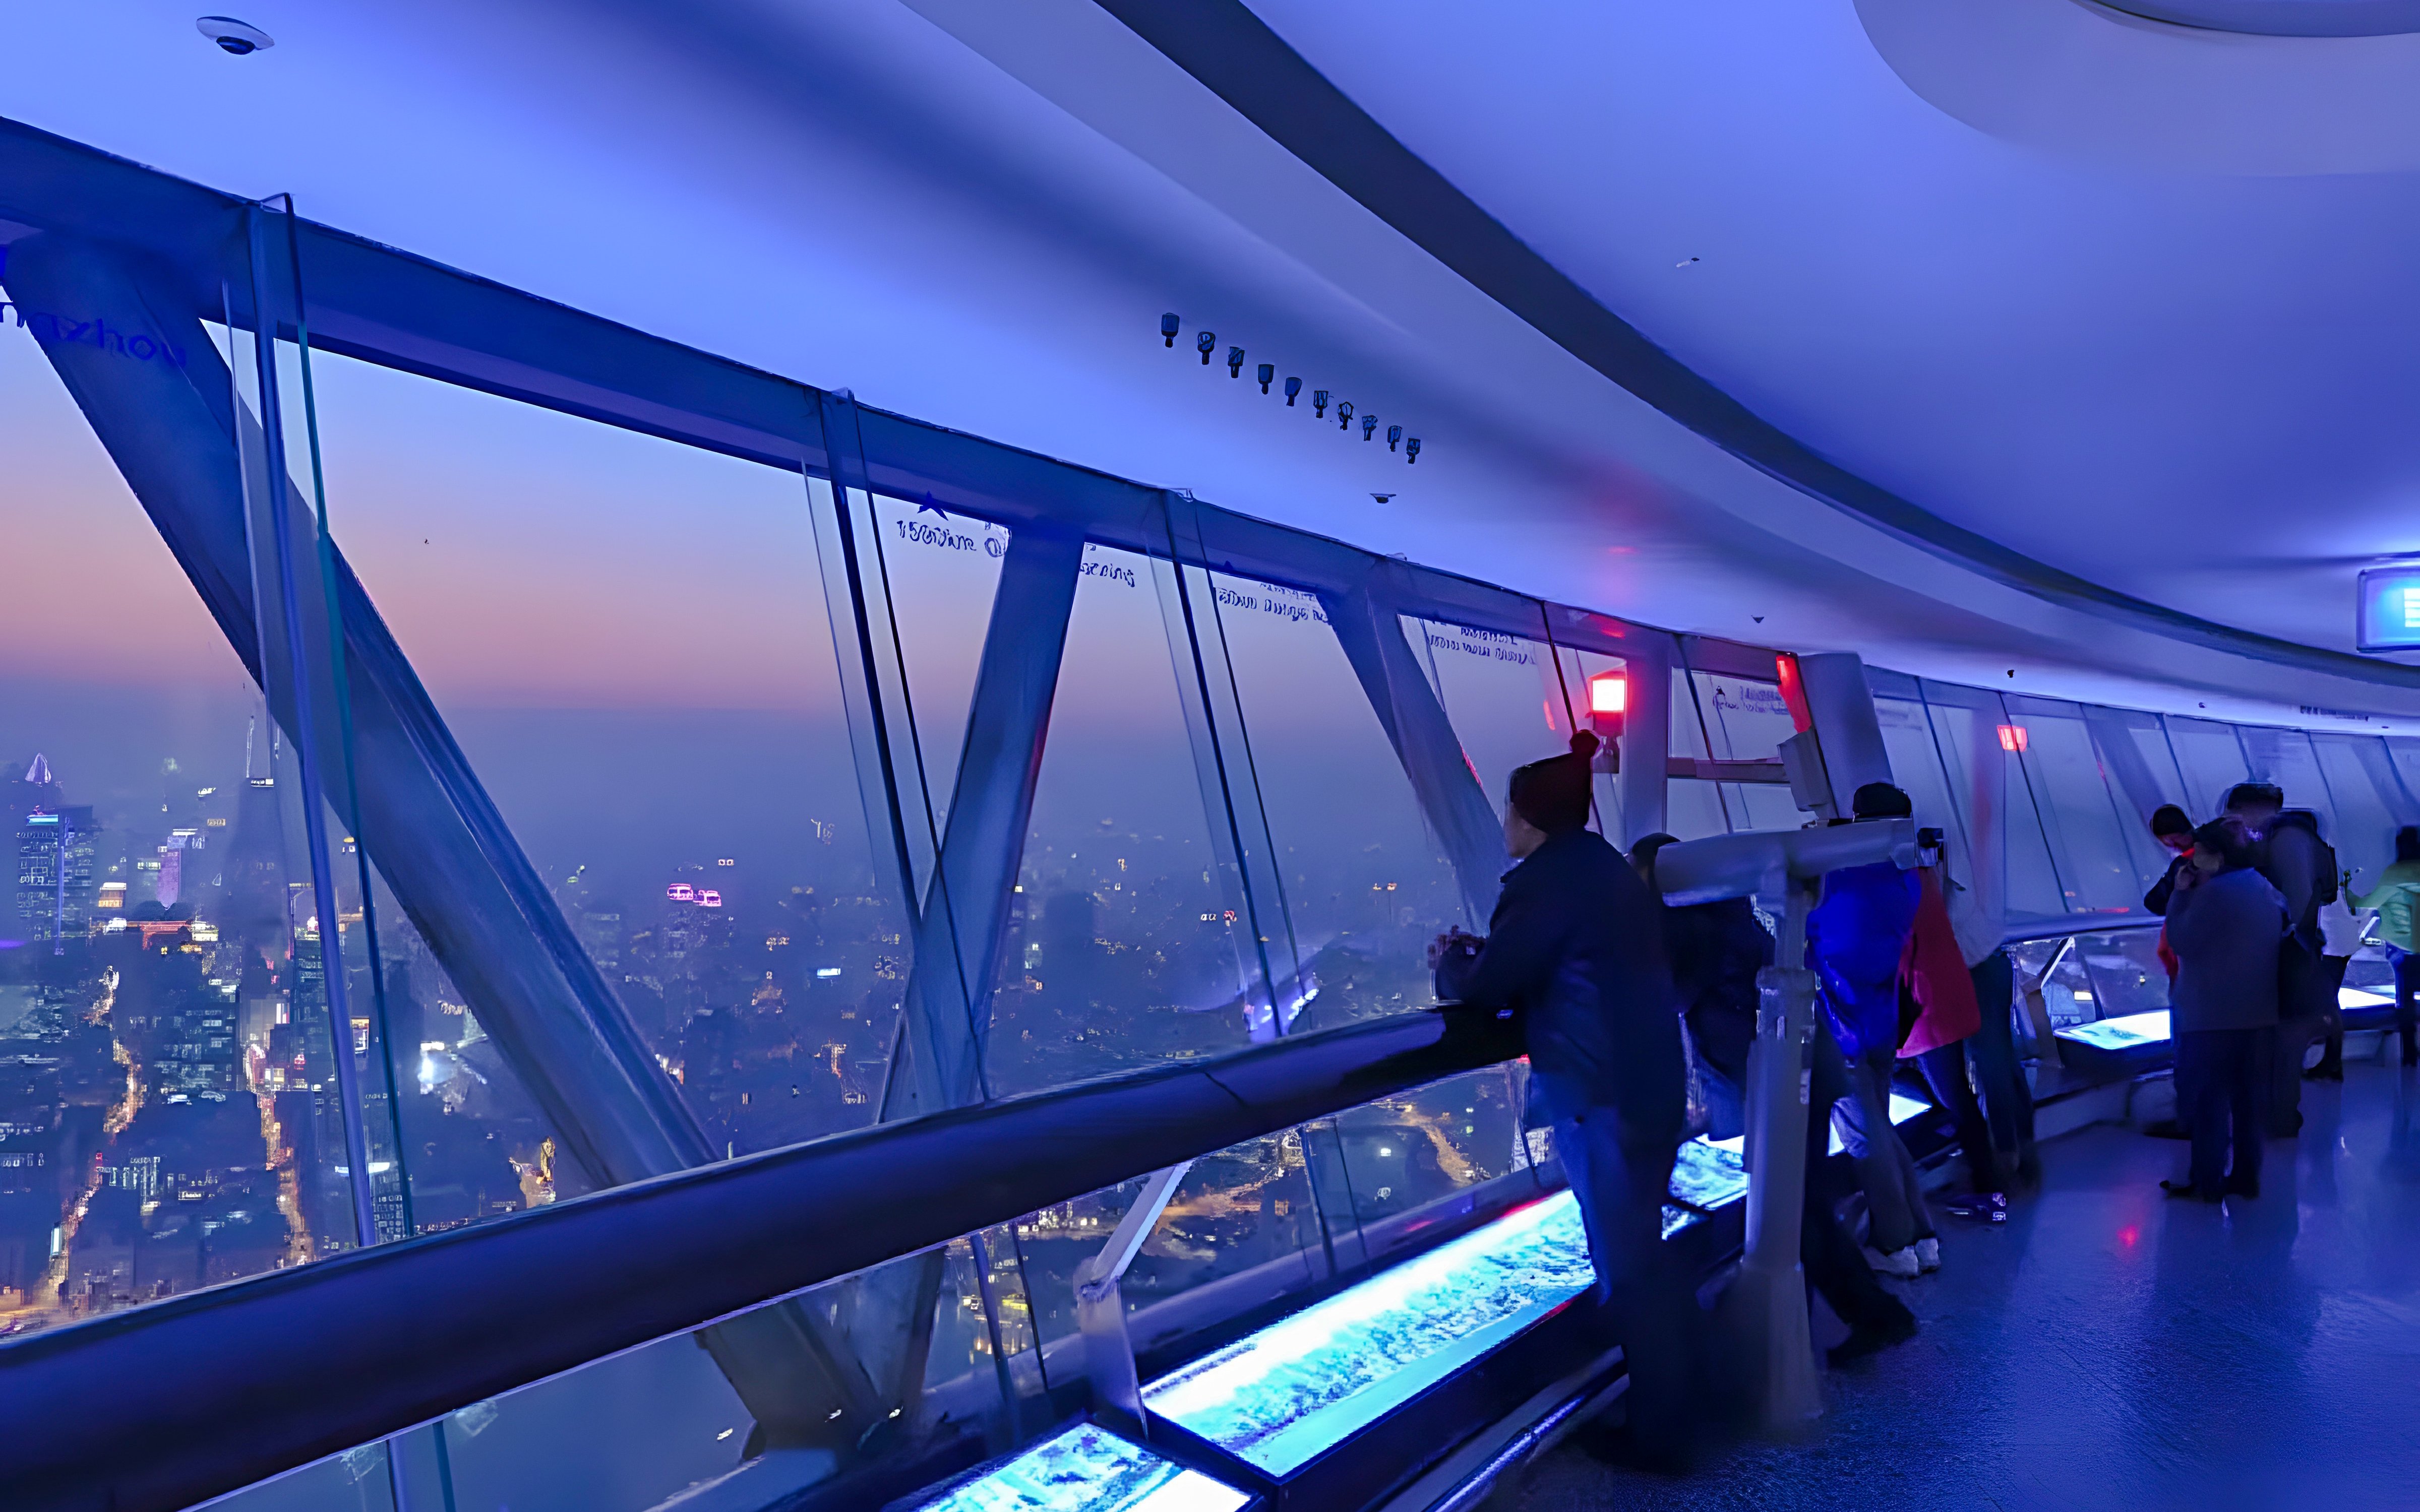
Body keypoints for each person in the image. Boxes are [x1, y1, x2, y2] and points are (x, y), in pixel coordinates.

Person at [1430, 732, 1696, 1470]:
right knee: (1644, 1253)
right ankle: (1678, 1403)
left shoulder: (1543, 884)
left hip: (1602, 1099)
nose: (1504, 826)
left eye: (1509, 811)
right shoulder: (1609, 871)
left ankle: (1663, 1437)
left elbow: (1489, 986)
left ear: (1529, 818)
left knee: (1631, 1267)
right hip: (1650, 1083)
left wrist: (1451, 963)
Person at [1628, 834, 1917, 1366]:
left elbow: (1666, 998)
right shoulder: (1731, 912)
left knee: (1794, 1207)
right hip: (1800, 1066)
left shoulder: (1691, 927)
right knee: (1798, 1200)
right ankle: (1850, 1318)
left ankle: (1860, 1319)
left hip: (1776, 1078)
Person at [1807, 782, 1937, 1278]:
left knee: (1867, 1138)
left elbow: (1816, 931)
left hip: (1844, 1027)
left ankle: (1895, 1242)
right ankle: (1921, 1235)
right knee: (1879, 1130)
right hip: (1882, 1023)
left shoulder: (1839, 878)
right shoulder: (1903, 878)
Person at [2161, 820, 2285, 1202]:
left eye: (2200, 852)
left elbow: (2182, 941)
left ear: (2216, 854)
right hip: (2259, 1013)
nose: (2194, 860)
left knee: (2209, 1103)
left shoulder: (2216, 895)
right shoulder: (2262, 887)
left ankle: (2208, 1182)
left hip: (2212, 1016)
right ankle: (2247, 1179)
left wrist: (2180, 895)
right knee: (2249, 1105)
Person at [2222, 784, 2337, 1135]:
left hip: (2286, 960)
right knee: (2285, 1044)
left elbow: (2297, 901)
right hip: (2298, 959)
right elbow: (2324, 895)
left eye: (2235, 813)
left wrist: (2285, 936)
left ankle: (2278, 1117)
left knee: (2280, 1045)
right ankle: (2280, 1114)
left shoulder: (2286, 842)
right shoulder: (2304, 841)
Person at [2352, 827, 2420, 1068]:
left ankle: (2410, 1054)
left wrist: (2349, 893)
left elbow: (2371, 902)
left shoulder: (2393, 874)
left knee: (2405, 1001)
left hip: (2402, 949)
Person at [2143, 804, 2196, 985]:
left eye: (2170, 842)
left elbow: (2154, 902)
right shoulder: (2221, 854)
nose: (2173, 848)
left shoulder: (2185, 862)